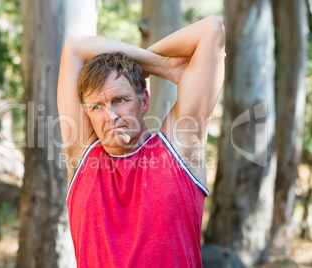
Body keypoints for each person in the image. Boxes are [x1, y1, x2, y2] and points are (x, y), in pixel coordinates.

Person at [57, 15, 225, 268]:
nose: (110, 116)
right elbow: (74, 46)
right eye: (97, 106)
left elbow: (211, 30)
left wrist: (136, 69)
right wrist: (160, 66)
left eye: (120, 100)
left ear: (144, 101)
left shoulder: (180, 149)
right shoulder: (83, 156)